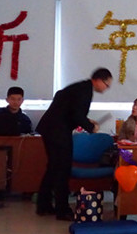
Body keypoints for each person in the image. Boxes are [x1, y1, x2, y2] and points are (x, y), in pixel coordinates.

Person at [35, 68, 113, 220]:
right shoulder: (84, 91)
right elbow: (76, 115)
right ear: (98, 80)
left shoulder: (80, 88)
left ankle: (43, 205)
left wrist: (87, 121)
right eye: (107, 84)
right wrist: (90, 127)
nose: (106, 88)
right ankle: (62, 210)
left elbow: (71, 111)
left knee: (53, 168)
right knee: (62, 169)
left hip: (52, 129)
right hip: (57, 132)